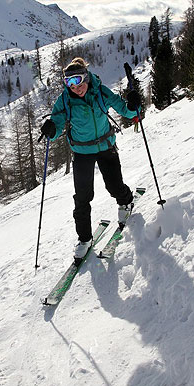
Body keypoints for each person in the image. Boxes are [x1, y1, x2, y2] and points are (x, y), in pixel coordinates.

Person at [41, 57, 141, 259]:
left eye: (78, 81)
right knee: (82, 197)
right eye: (70, 83)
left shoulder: (100, 92)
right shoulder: (65, 100)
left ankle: (126, 202)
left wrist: (133, 104)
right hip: (82, 151)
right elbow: (58, 124)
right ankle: (85, 239)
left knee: (114, 185)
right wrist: (51, 130)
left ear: (86, 78)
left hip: (105, 145)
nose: (76, 88)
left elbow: (126, 110)